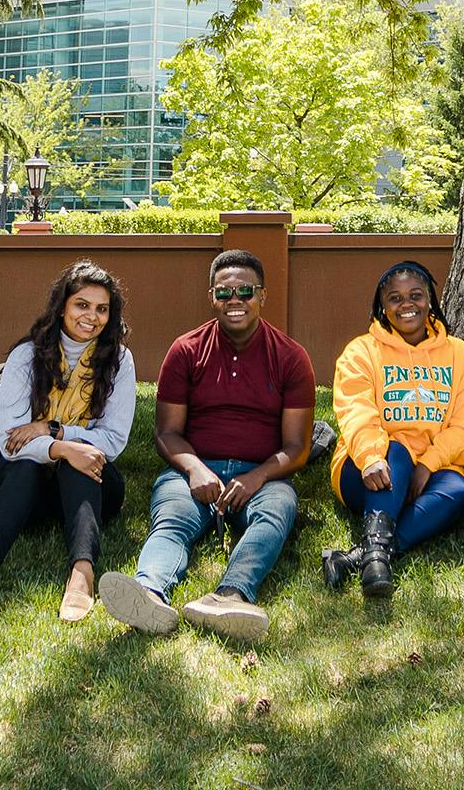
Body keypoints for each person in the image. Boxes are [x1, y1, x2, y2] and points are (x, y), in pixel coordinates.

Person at [99, 249, 315, 642]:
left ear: (262, 296)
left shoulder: (291, 357)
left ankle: (230, 595)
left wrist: (255, 478)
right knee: (173, 519)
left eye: (245, 291)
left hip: (262, 475)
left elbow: (297, 447)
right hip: (194, 469)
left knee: (277, 511)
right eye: (224, 293)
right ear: (211, 296)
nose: (235, 301)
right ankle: (149, 593)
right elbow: (166, 432)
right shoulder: (186, 350)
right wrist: (195, 468)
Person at [0, 261, 136, 630]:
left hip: (89, 494)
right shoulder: (27, 356)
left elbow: (114, 441)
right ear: (62, 307)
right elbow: (10, 442)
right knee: (30, 465)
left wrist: (52, 431)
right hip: (21, 491)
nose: (92, 317)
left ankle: (82, 572)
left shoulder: (119, 360)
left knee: (85, 460)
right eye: (81, 305)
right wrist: (64, 448)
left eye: (102, 308)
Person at [321, 261, 464, 600]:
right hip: (368, 471)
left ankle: (365, 555)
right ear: (383, 306)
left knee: (456, 492)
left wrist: (427, 464)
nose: (406, 304)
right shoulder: (361, 351)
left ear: (430, 301)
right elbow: (356, 411)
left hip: (433, 471)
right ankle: (377, 556)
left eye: (415, 295)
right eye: (395, 298)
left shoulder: (459, 355)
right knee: (394, 450)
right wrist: (369, 457)